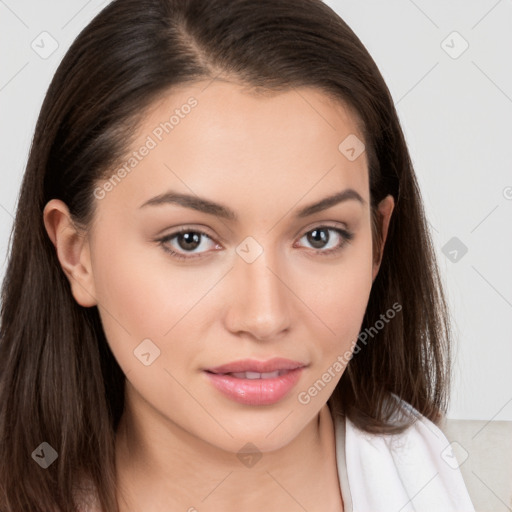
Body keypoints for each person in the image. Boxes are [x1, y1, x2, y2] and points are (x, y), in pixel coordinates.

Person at [0, 0, 475, 511]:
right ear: (77, 254)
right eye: (190, 240)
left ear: (378, 241)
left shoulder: (437, 476)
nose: (265, 316)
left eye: (320, 236)